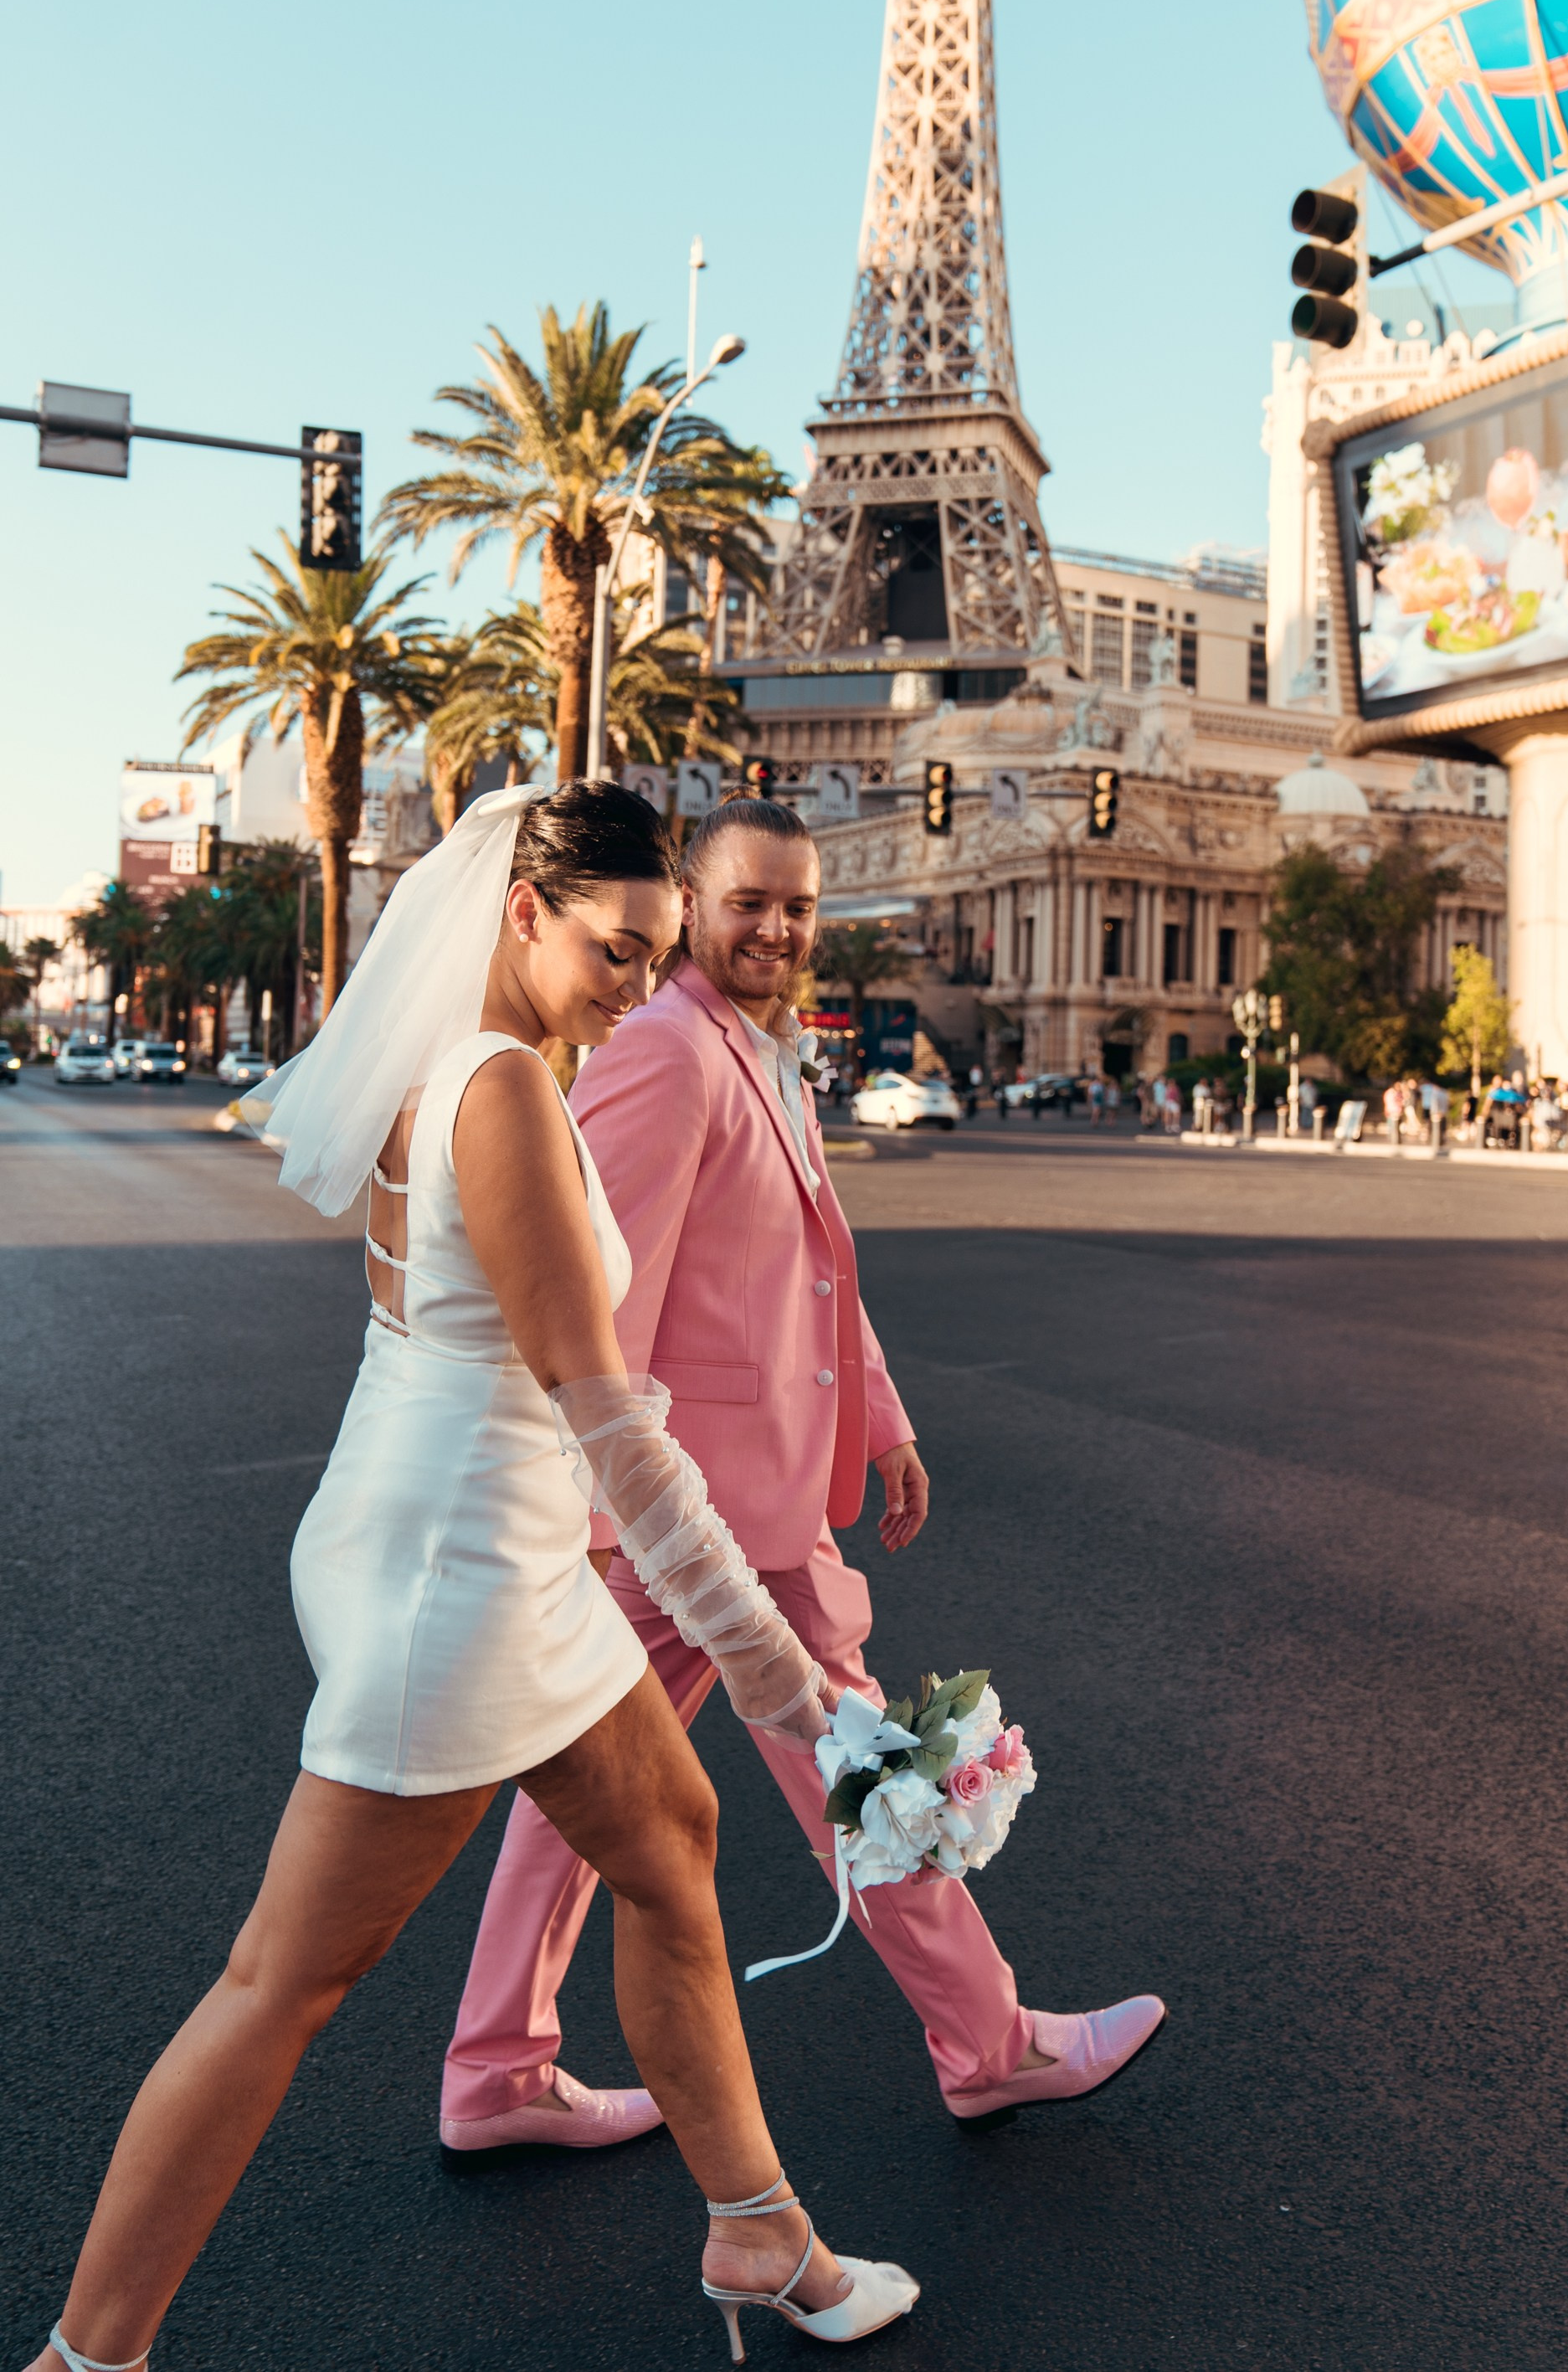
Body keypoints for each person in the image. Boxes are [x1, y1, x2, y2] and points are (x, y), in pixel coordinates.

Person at [26, 783, 920, 2372]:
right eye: (616, 949)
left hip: (464, 1527)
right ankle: (87, 2360)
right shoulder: (505, 1092)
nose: (643, 985)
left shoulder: (468, 1067)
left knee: (673, 1844)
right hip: (469, 1574)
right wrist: (787, 1679)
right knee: (283, 1982)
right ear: (521, 913)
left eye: (660, 956)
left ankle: (760, 2229)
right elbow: (620, 1436)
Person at [440, 795, 1161, 2150]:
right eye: (746, 903)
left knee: (590, 1795)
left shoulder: (753, 1048)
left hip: (727, 1500)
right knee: (863, 1769)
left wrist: (878, 1418)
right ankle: (988, 2041)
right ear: (691, 906)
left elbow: (813, 1273)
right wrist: (607, 1520)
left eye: (799, 907)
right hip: (710, 1520)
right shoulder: (666, 1049)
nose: (775, 928)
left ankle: (495, 2070)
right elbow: (604, 1302)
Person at [1418, 1073, 1448, 1153]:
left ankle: (1430, 1137)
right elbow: (1446, 1103)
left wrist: (1434, 1113)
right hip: (1443, 1112)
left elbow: (1434, 1103)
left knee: (1430, 1125)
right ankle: (1441, 1139)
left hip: (1433, 1111)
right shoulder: (1444, 1092)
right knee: (1442, 1127)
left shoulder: (1434, 1092)